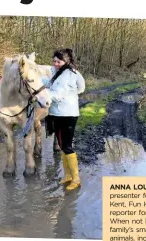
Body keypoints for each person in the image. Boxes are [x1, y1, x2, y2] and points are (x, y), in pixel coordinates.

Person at [42, 48, 85, 191]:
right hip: (59, 113)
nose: (55, 63)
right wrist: (37, 81)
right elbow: (81, 87)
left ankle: (76, 179)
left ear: (65, 61)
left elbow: (57, 94)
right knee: (62, 145)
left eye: (58, 61)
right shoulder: (60, 72)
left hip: (67, 114)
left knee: (66, 145)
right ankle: (67, 175)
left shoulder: (67, 74)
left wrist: (40, 93)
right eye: (54, 61)